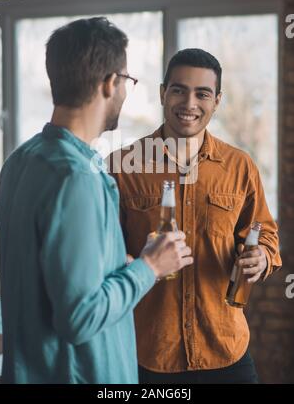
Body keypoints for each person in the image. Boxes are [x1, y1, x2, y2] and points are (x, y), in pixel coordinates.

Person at [0, 18, 193, 384]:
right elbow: (80, 317)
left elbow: (52, 275)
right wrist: (148, 267)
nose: (124, 91)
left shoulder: (19, 161)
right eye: (127, 81)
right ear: (110, 83)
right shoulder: (78, 178)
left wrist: (118, 266)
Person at [109, 48, 282, 384]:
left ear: (216, 101)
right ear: (163, 93)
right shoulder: (122, 167)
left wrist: (262, 256)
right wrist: (132, 262)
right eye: (179, 90)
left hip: (226, 349)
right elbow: (104, 257)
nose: (189, 103)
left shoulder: (239, 166)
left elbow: (265, 235)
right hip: (148, 353)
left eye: (202, 93)